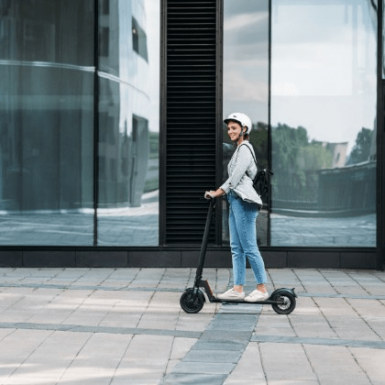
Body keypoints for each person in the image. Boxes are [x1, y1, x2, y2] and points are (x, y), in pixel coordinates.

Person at [204, 112, 268, 302]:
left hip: (244, 203)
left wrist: (217, 192)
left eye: (234, 128)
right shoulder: (238, 149)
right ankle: (238, 288)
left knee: (249, 247)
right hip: (235, 201)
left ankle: (262, 288)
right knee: (236, 247)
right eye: (229, 128)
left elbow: (235, 177)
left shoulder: (245, 149)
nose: (230, 131)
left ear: (244, 130)